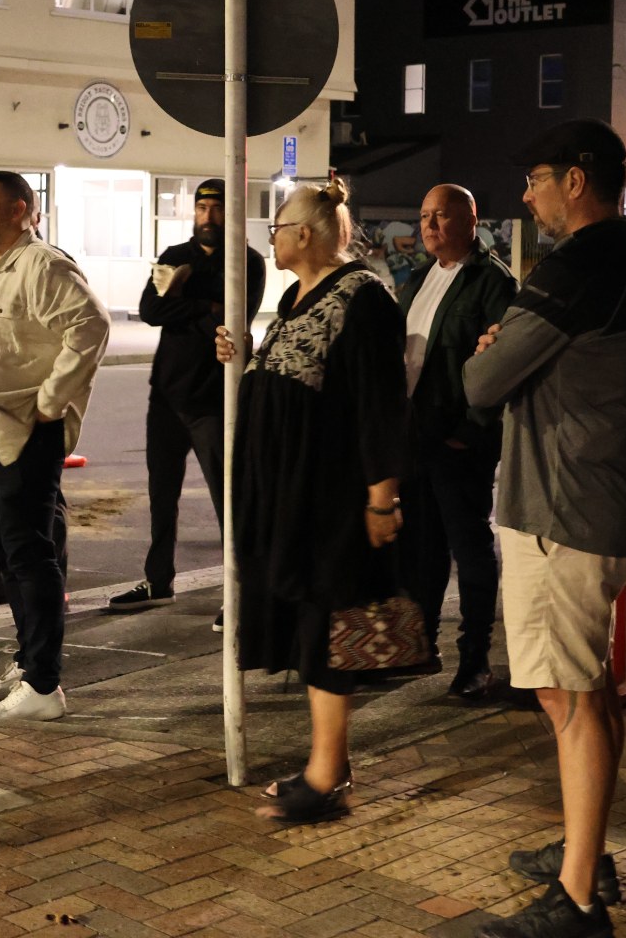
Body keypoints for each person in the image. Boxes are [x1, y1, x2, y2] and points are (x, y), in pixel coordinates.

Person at [464, 120, 626, 938]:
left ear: (577, 181)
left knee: (569, 695)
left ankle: (578, 899)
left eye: (538, 177)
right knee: (582, 691)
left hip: (562, 509)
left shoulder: (583, 262)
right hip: (592, 498)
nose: (527, 193)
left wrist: (500, 348)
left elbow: (481, 380)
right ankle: (588, 851)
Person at [212, 175, 406, 825]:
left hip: (331, 493)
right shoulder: (297, 295)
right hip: (290, 493)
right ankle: (329, 761)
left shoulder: (365, 297)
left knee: (331, 627)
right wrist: (243, 360)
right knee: (311, 623)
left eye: (276, 228)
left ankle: (327, 779)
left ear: (303, 234)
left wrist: (383, 498)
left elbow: (380, 405)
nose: (270, 239)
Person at [0, 171, 109, 721]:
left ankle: (44, 686)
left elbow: (90, 325)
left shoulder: (43, 264)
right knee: (7, 561)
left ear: (20, 209)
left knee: (31, 556)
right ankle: (28, 660)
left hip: (21, 433)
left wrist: (50, 401)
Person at [110, 178, 265, 623]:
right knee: (162, 494)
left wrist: (191, 304)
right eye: (202, 209)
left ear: (231, 213)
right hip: (166, 396)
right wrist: (206, 310)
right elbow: (151, 311)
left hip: (214, 400)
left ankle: (238, 592)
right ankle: (158, 581)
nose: (208, 217)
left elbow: (239, 318)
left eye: (216, 209)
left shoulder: (248, 263)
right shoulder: (173, 257)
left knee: (227, 498)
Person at [397, 184, 516, 700]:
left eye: (440, 216)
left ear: (472, 218)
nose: (429, 226)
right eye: (423, 216)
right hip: (414, 436)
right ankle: (422, 645)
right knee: (421, 547)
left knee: (469, 547)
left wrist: (471, 431)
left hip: (458, 440)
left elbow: (501, 361)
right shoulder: (419, 278)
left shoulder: (492, 281)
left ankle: (476, 658)